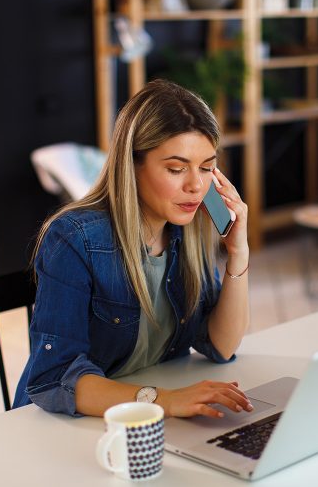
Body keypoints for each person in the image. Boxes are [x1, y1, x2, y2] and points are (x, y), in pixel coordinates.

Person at [13, 79, 253, 419]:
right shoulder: (74, 238)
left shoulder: (189, 230)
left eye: (206, 168)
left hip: (145, 420)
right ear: (132, 165)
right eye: (176, 168)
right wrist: (165, 400)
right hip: (71, 424)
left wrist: (238, 253)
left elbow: (221, 345)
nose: (196, 186)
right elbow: (54, 378)